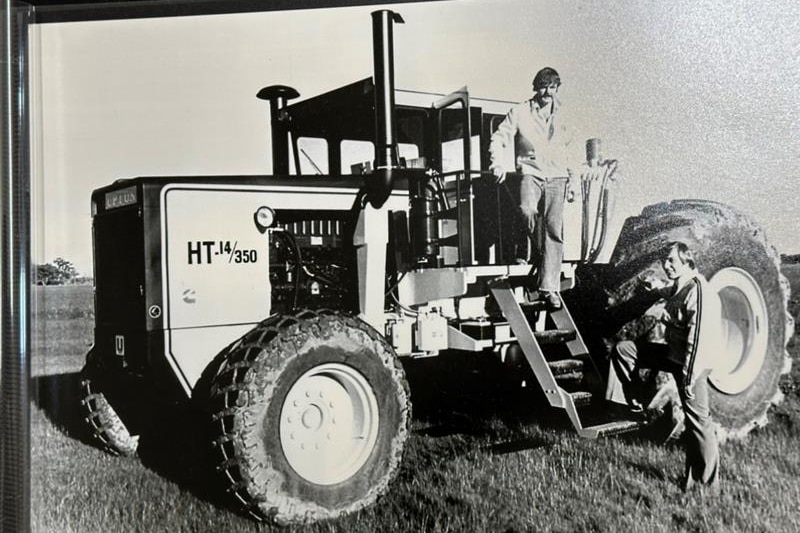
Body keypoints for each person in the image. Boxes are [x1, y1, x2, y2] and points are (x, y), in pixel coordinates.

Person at [606, 241, 722, 492]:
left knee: (698, 422)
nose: (666, 265)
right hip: (674, 355)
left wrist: (689, 380)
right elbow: (671, 291)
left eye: (672, 261)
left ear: (688, 262)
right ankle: (634, 401)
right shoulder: (682, 285)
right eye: (664, 261)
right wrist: (657, 287)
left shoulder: (699, 292)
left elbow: (697, 342)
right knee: (624, 350)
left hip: (693, 365)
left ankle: (705, 485)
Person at [488, 67, 578, 310]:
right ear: (535, 87)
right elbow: (499, 137)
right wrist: (496, 163)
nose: (546, 92)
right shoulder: (520, 111)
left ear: (557, 88)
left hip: (558, 176)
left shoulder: (565, 115)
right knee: (526, 209)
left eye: (551, 87)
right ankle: (534, 253)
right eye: (542, 86)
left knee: (553, 228)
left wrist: (574, 182)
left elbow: (570, 152)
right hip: (531, 173)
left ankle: (549, 287)